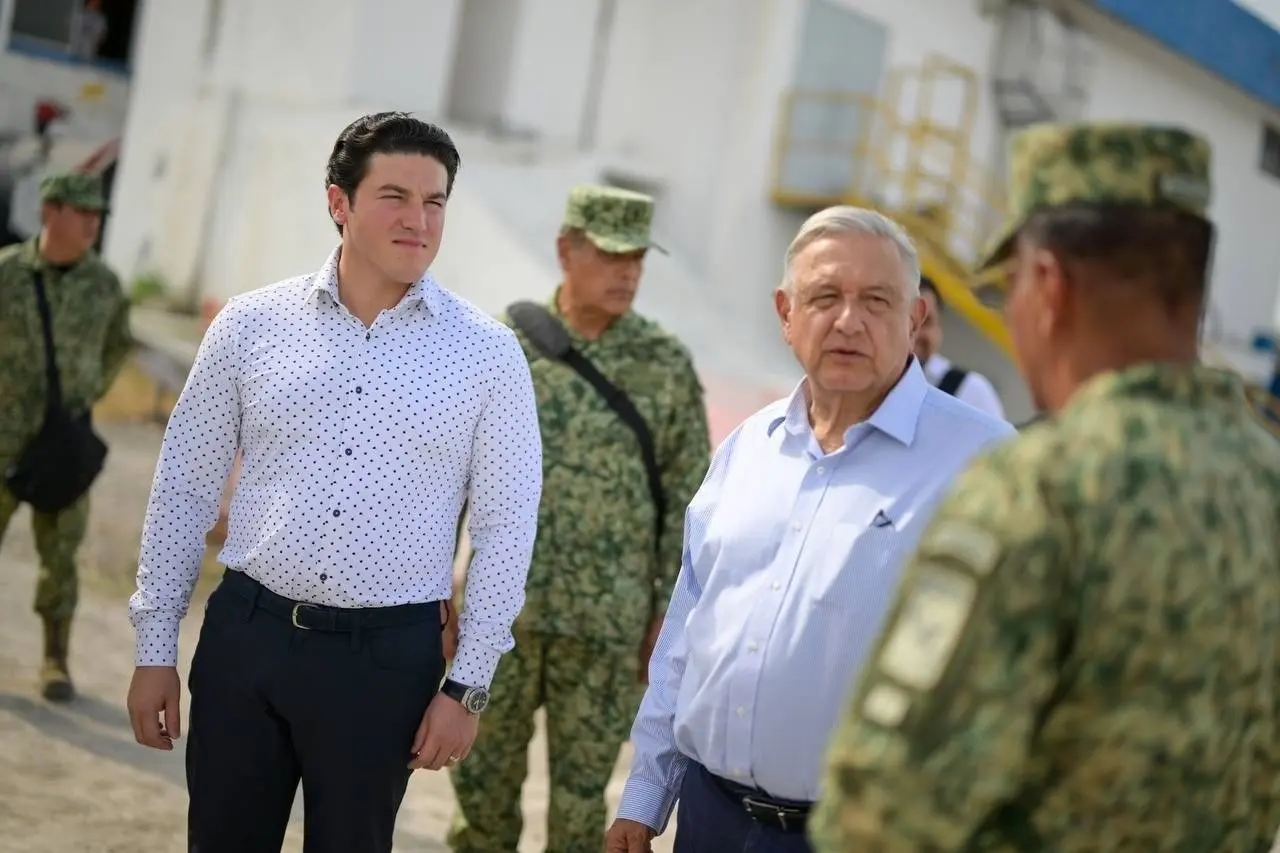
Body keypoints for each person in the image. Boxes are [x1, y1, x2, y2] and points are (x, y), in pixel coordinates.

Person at [808, 123, 1280, 851]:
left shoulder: (1038, 488)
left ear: (1050, 287)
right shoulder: (1264, 478)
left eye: (1009, 288)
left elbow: (882, 812)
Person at [125, 112, 543, 853]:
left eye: (436, 201)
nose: (419, 220)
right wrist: (155, 646)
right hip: (245, 642)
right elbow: (186, 484)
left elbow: (507, 527)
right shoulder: (250, 325)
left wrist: (466, 686)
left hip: (385, 664)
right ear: (338, 203)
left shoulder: (488, 355)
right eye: (394, 196)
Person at [605, 206, 1014, 853]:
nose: (849, 321)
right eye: (824, 296)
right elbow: (690, 629)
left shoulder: (986, 464)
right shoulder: (748, 449)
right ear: (786, 312)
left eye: (876, 300)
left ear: (915, 319)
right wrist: (647, 793)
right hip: (708, 819)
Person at [447, 184, 711, 853]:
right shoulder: (502, 345)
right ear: (567, 249)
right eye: (611, 253)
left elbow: (689, 497)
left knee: (581, 802)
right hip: (501, 614)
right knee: (482, 785)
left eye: (638, 258)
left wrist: (666, 614)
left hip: (609, 627)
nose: (628, 272)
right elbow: (447, 478)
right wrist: (435, 595)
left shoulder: (665, 363)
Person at [0, 171, 130, 702]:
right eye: (83, 212)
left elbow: (117, 343)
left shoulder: (104, 285)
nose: (93, 223)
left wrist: (90, 389)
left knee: (61, 555)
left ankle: (55, 659)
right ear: (50, 212)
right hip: (3, 439)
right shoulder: (7, 274)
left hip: (63, 446)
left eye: (99, 214)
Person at [915, 275, 1006, 419]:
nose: (915, 332)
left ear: (939, 329)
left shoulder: (970, 393)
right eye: (907, 320)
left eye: (927, 322)